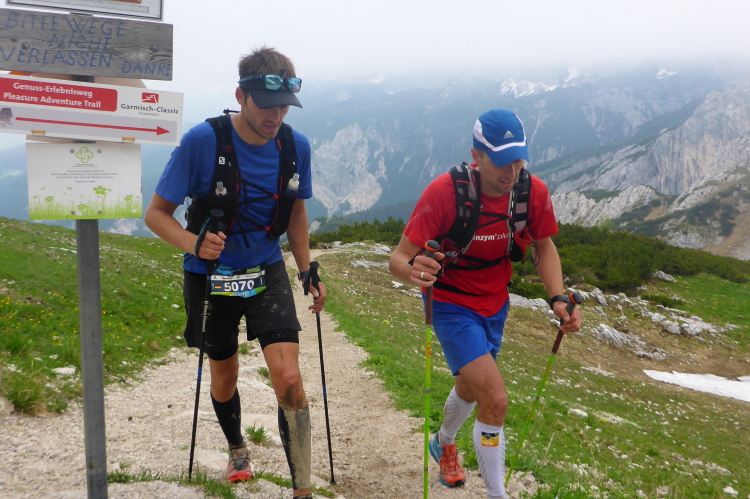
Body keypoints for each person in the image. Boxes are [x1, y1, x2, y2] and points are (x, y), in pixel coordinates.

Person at [144, 46, 325, 499]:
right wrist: (194, 243)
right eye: (267, 106)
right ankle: (237, 447)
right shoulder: (202, 142)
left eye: (284, 106)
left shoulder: (295, 146)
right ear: (241, 96)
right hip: (210, 274)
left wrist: (306, 269)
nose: (276, 116)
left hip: (266, 268)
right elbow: (156, 214)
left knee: (289, 378)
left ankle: (303, 488)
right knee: (224, 375)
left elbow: (296, 210)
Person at [389, 109, 582, 498]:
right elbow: (398, 258)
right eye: (501, 160)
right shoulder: (446, 192)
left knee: (469, 388)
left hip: (496, 303)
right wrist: (415, 271)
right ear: (476, 156)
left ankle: (443, 442)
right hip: (449, 303)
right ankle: (497, 493)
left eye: (518, 159)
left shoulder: (531, 193)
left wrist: (558, 298)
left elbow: (543, 246)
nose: (511, 171)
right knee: (494, 399)